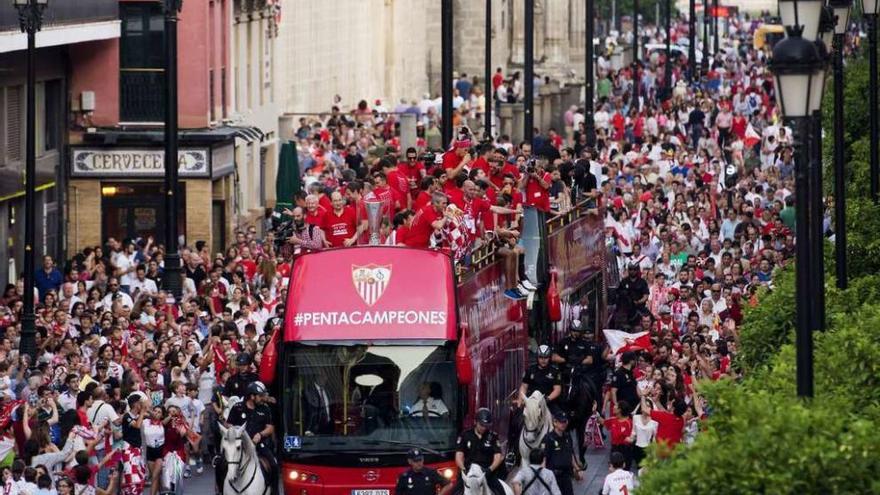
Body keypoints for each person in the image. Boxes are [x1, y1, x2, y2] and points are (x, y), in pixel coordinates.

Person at [226, 381, 278, 495]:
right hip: (239, 444)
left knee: (273, 465)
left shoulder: (265, 408)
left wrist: (260, 434)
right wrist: (237, 432)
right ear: (252, 396)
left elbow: (270, 428)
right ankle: (220, 489)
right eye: (260, 396)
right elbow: (228, 424)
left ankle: (275, 492)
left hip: (259, 444)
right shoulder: (238, 407)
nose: (262, 398)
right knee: (221, 463)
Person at [454, 408, 504, 495]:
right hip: (468, 471)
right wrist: (463, 469)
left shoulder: (493, 436)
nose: (484, 428)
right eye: (481, 425)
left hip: (486, 471)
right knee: (454, 491)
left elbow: (498, 456)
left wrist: (490, 469)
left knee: (500, 490)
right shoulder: (465, 435)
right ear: (475, 422)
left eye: (486, 425)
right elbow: (459, 455)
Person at [541, 411, 582, 495]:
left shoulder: (567, 436)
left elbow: (571, 454)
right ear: (555, 422)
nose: (563, 424)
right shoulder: (548, 438)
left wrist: (577, 469)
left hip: (566, 476)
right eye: (561, 422)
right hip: (554, 476)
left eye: (565, 421)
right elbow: (544, 459)